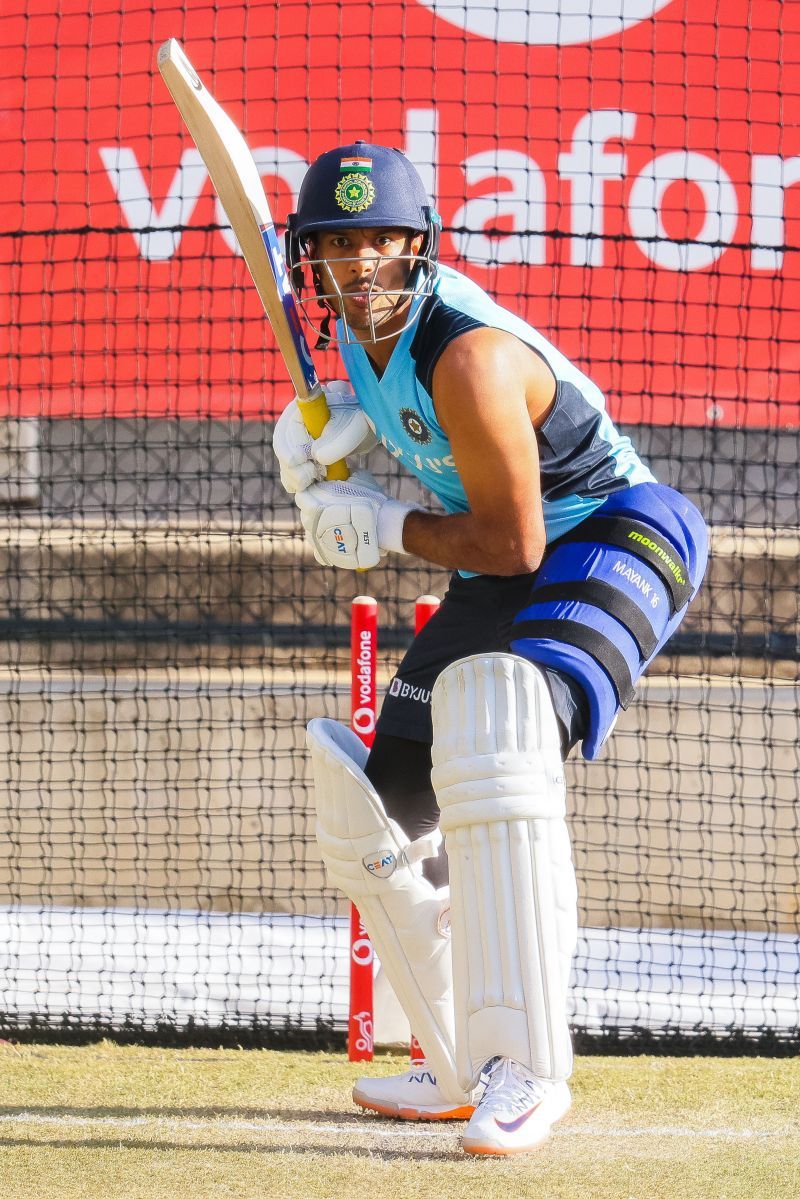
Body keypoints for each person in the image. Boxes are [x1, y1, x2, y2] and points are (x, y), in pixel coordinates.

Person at [273, 141, 708, 1156]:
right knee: (383, 806)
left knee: (498, 737)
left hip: (614, 532)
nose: (361, 266)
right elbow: (450, 483)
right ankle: (462, 1051)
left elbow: (514, 536)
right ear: (314, 264)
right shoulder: (354, 345)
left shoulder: (465, 352)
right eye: (338, 247)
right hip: (510, 560)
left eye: (380, 242)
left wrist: (378, 525)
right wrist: (328, 440)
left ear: (418, 249)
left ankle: (528, 1071)